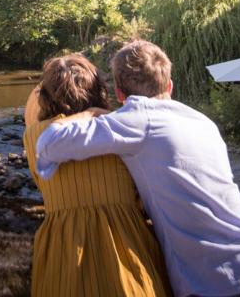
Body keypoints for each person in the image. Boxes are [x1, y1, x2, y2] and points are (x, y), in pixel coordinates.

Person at [35, 40, 240, 297]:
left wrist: (92, 112)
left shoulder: (137, 120)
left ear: (120, 94)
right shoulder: (202, 121)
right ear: (170, 85)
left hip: (223, 283)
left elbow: (49, 144)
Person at [24, 54, 170, 297]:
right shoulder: (121, 127)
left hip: (63, 252)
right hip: (128, 245)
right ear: (98, 90)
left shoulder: (34, 137)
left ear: (46, 96)